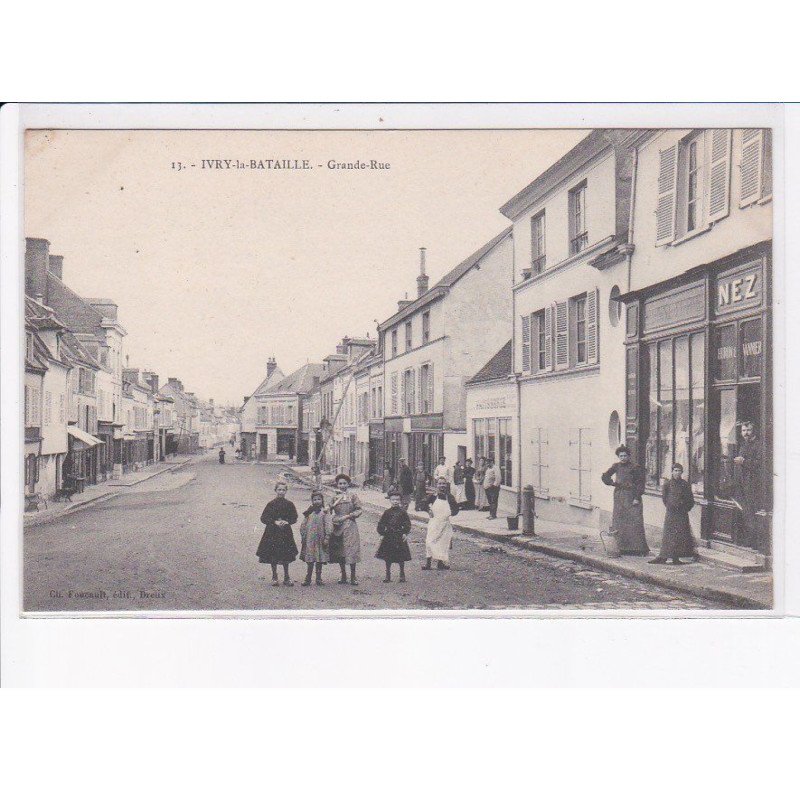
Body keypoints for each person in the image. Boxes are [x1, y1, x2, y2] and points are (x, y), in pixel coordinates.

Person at [601, 445, 650, 556]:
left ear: (629, 456)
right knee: (619, 521)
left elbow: (640, 484)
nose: (623, 458)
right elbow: (605, 476)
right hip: (619, 496)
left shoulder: (635, 467)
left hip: (632, 496)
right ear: (618, 457)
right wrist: (611, 483)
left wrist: (637, 498)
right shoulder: (616, 466)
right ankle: (621, 547)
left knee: (635, 521)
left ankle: (638, 549)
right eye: (621, 456)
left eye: (625, 456)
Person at [650, 463, 698, 565]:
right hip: (671, 513)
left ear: (682, 472)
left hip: (682, 513)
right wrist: (670, 506)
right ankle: (664, 556)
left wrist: (685, 508)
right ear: (672, 472)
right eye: (675, 470)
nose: (677, 473)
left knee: (680, 535)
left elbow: (690, 500)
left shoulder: (685, 484)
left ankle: (676, 558)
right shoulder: (667, 484)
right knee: (669, 535)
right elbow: (664, 498)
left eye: (679, 471)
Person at [256, 479, 299, 585]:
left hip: (285, 533)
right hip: (272, 532)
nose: (281, 492)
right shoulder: (271, 504)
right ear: (275, 490)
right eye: (279, 490)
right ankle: (274, 576)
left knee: (286, 555)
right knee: (273, 554)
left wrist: (286, 521)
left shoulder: (289, 504)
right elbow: (263, 518)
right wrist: (274, 522)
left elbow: (294, 517)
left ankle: (286, 577)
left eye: (283, 490)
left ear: (286, 491)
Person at [328, 474, 362, 585]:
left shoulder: (353, 496)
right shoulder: (334, 496)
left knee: (352, 549)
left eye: (344, 483)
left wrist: (350, 515)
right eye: (340, 483)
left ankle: (353, 576)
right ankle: (343, 575)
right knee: (340, 550)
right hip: (338, 525)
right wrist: (330, 509)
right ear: (337, 485)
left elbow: (359, 509)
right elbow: (328, 510)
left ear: (348, 484)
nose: (342, 485)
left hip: (350, 524)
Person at [733, 420, 762, 550]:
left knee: (752, 511)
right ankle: (748, 539)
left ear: (753, 430)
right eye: (744, 431)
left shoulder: (759, 445)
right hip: (742, 484)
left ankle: (755, 542)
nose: (746, 433)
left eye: (748, 430)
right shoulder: (743, 445)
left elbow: (760, 464)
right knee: (746, 511)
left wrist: (743, 461)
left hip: (754, 485)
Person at [422, 477, 460, 570]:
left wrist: (450, 513)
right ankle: (428, 563)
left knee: (443, 543)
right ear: (437, 485)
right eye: (440, 483)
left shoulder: (450, 497)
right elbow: (423, 504)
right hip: (434, 523)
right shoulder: (433, 496)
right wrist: (428, 510)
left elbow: (456, 509)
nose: (442, 485)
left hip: (444, 524)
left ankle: (440, 563)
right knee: (429, 541)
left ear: (446, 485)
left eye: (444, 483)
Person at [376, 488, 412, 582]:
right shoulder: (387, 512)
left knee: (401, 557)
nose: (395, 502)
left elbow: (407, 523)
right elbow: (381, 523)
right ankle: (388, 575)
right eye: (393, 499)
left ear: (400, 501)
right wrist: (382, 533)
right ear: (390, 500)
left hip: (399, 536)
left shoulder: (403, 512)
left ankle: (402, 574)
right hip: (389, 536)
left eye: (397, 500)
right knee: (388, 557)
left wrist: (405, 532)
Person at [299, 490, 330, 585]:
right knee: (310, 559)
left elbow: (328, 525)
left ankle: (319, 578)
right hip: (310, 539)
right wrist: (303, 535)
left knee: (319, 558)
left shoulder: (324, 512)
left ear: (322, 500)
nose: (317, 501)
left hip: (320, 539)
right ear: (312, 501)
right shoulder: (309, 512)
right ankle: (308, 578)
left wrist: (327, 537)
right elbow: (303, 524)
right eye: (315, 499)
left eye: (319, 499)